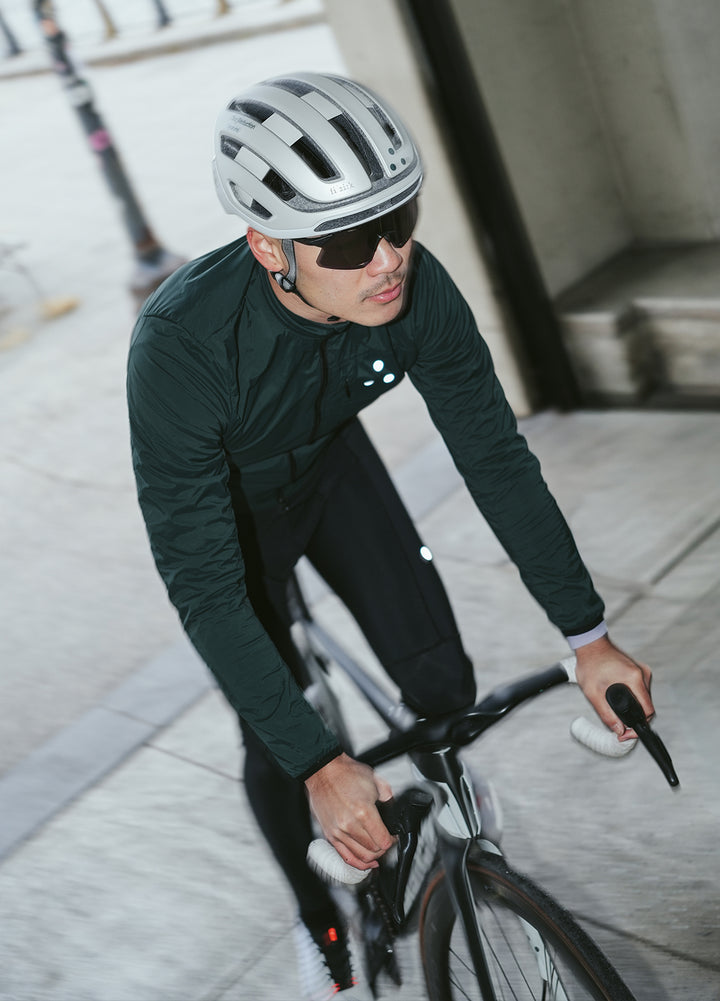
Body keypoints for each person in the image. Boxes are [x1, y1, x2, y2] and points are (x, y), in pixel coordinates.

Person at [126, 71, 654, 999]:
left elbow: (495, 458)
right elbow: (204, 586)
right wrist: (321, 764)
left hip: (333, 471)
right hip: (237, 525)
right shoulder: (182, 347)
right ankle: (323, 922)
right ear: (268, 246)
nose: (387, 260)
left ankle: (427, 818)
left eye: (398, 219)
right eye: (345, 240)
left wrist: (588, 636)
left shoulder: (413, 287)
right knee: (276, 734)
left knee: (441, 681)